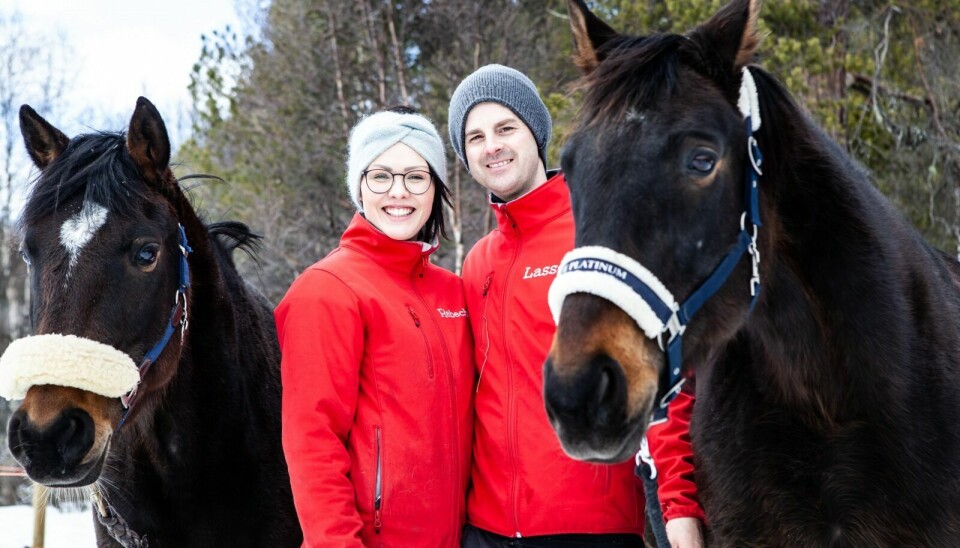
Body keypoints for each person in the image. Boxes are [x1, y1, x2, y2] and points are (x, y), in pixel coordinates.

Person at [448, 64, 705, 548]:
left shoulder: (597, 233)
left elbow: (664, 379)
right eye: (475, 136)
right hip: (486, 531)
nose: (492, 146)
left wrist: (679, 510)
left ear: (536, 133)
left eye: (506, 128)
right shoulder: (479, 262)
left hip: (590, 528)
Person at [275, 107, 474, 547]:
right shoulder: (326, 290)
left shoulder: (453, 292)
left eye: (416, 177)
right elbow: (313, 441)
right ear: (359, 187)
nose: (398, 192)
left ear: (435, 189)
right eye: (381, 176)